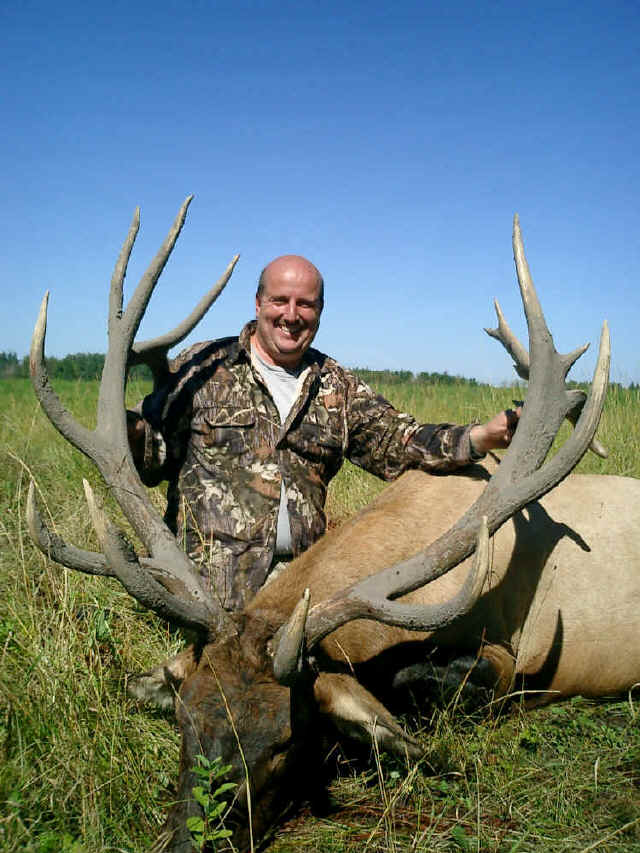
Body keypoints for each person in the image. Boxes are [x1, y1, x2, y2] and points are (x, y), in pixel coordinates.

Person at [128, 254, 519, 614]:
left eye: (306, 304)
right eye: (280, 300)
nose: (292, 315)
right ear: (258, 303)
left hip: (298, 601)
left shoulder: (336, 386)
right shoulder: (201, 367)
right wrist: (131, 430)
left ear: (320, 311)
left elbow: (399, 442)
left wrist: (481, 436)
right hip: (205, 598)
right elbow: (153, 456)